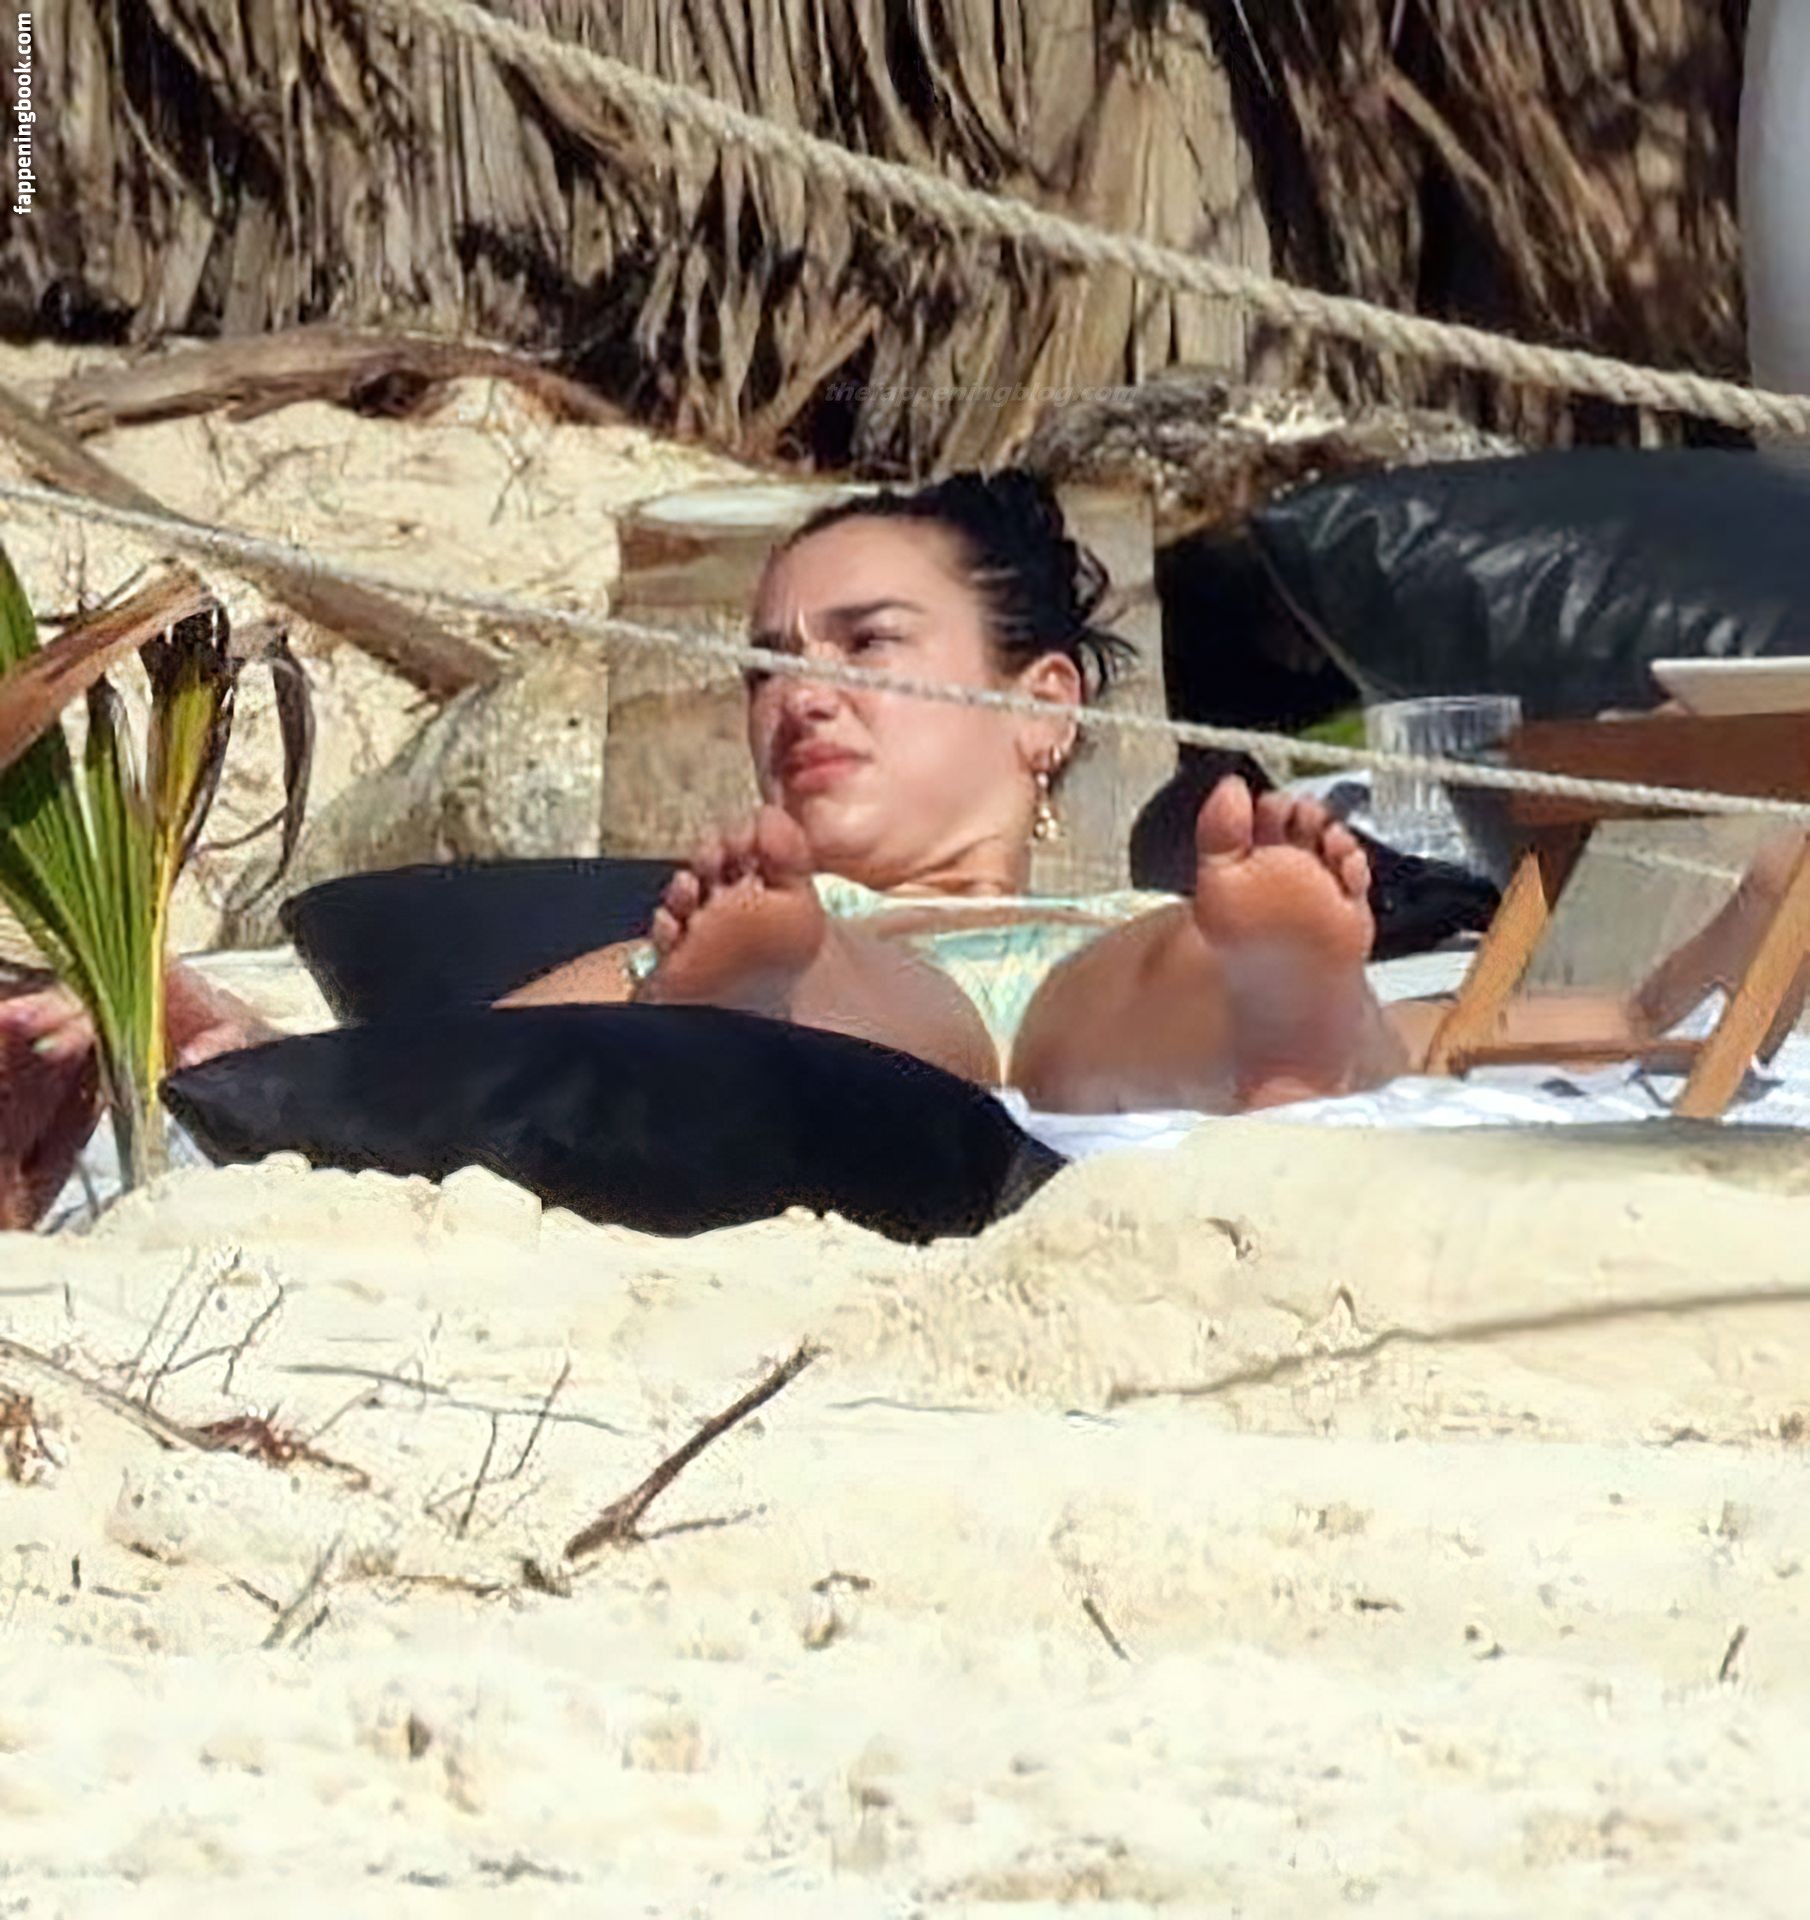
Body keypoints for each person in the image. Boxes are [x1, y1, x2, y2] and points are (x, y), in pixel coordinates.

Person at [0, 470, 1801, 1225]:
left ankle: (1275, 1021)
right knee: (798, 981)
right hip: (850, 992)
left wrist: (1740, 930)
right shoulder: (731, 905)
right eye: (769, 666)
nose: (802, 696)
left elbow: (1540, 1035)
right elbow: (475, 1051)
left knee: (1153, 971)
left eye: (867, 648)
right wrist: (214, 1039)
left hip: (1114, 981)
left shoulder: (1131, 910)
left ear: (1039, 711)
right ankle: (785, 1006)